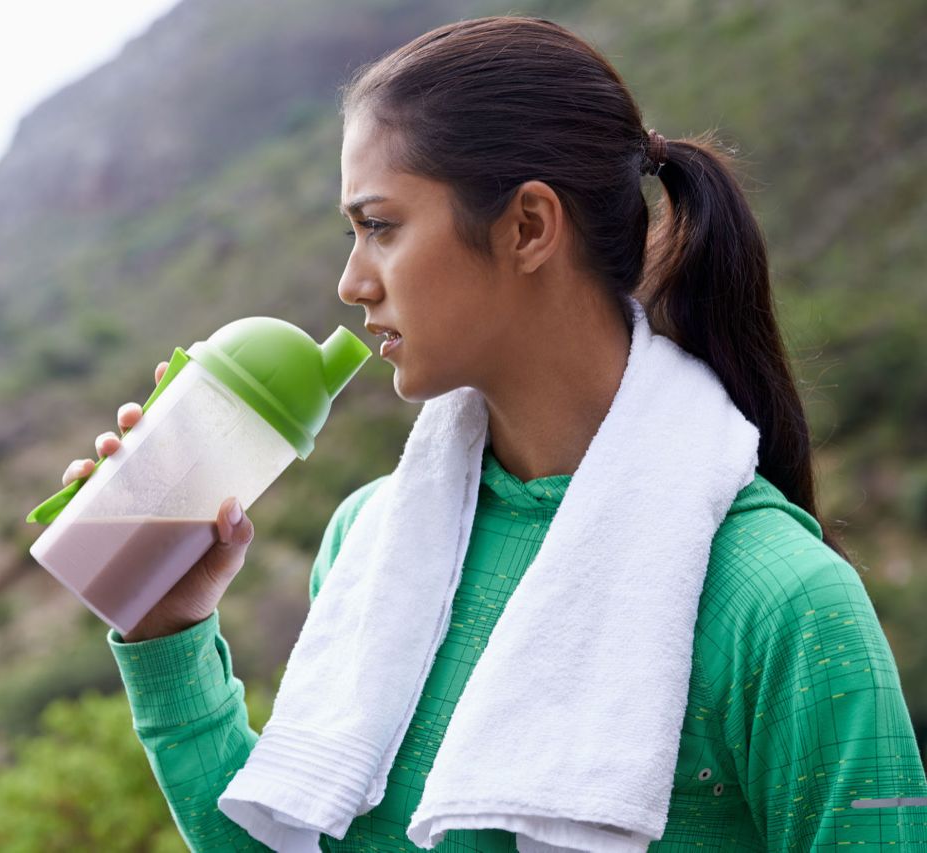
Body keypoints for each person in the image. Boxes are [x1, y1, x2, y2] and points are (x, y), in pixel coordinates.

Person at [60, 15, 927, 851]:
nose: (352, 281)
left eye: (381, 226)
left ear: (528, 227)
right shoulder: (372, 544)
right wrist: (167, 626)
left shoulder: (780, 605)